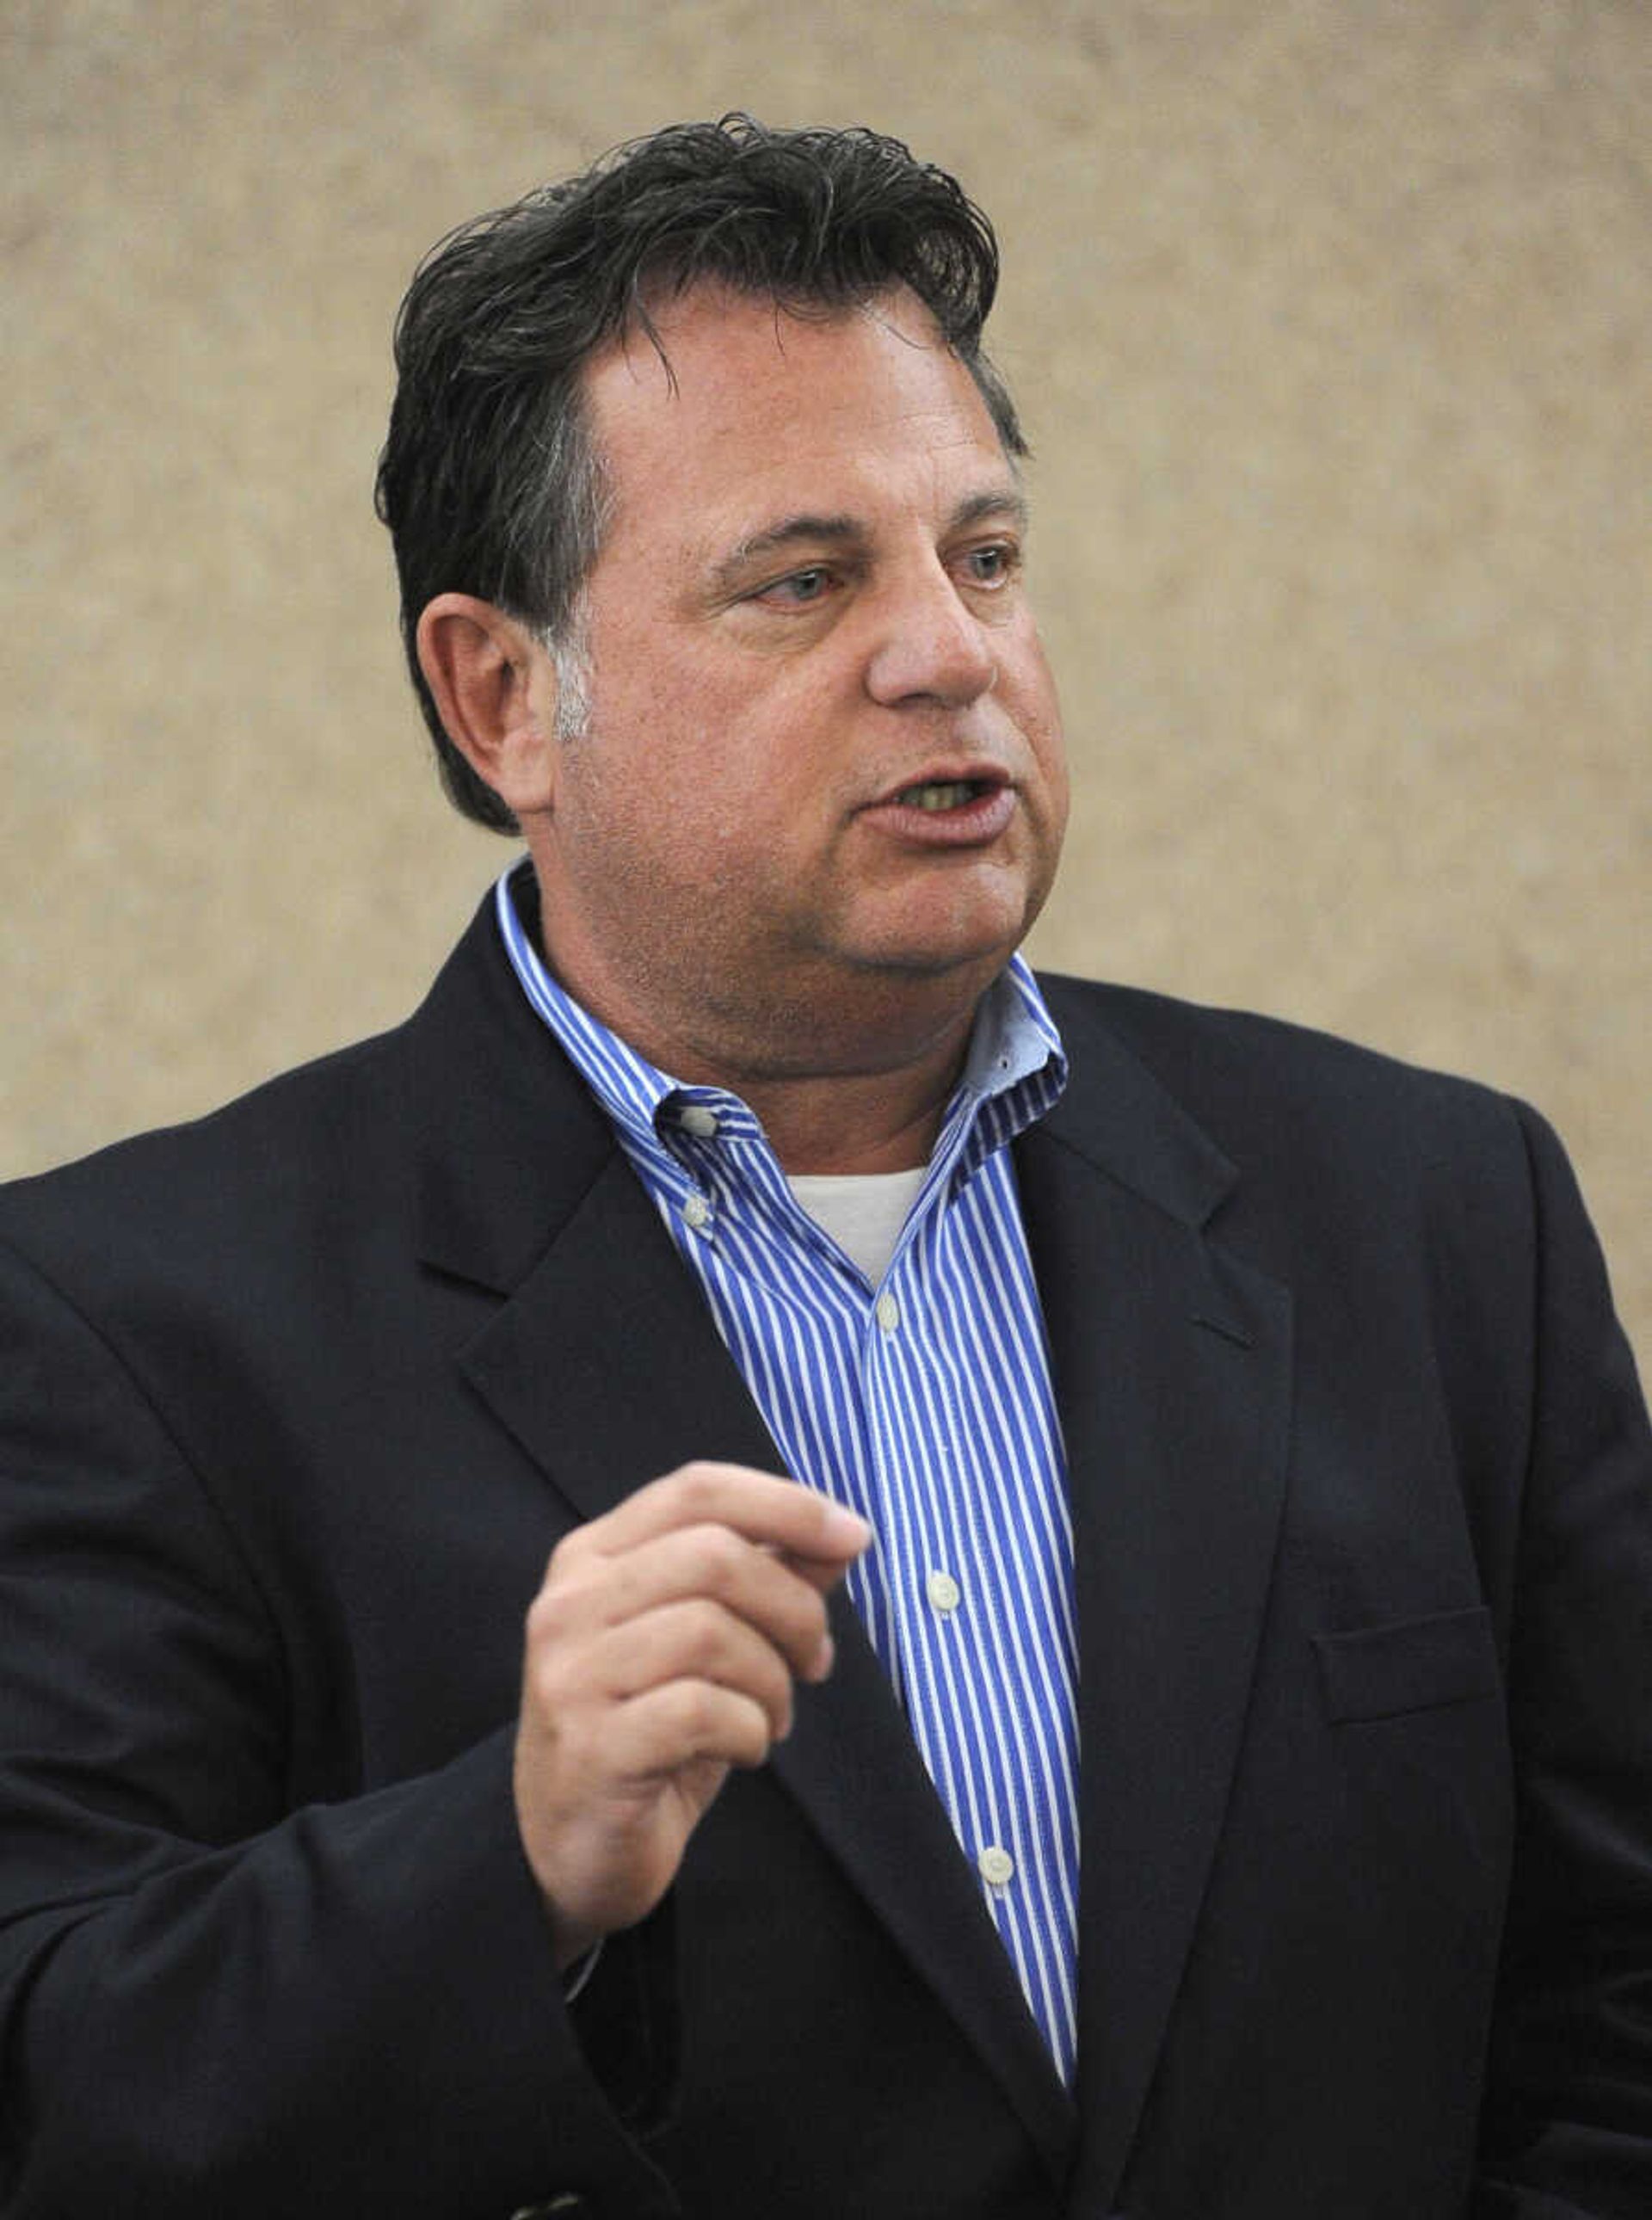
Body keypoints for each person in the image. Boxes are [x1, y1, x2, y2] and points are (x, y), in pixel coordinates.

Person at [0, 116, 1648, 2220]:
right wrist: (508, 1866)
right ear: (505, 696)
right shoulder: (126, 1325)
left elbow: (1619, 2005)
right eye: (805, 579)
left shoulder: (1434, 1218)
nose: (948, 651)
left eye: (983, 554)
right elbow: (52, 2080)